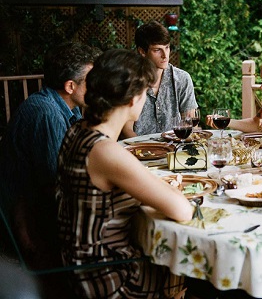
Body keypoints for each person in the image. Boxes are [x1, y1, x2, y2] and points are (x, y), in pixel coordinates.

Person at [56, 49, 193, 298]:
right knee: (187, 273)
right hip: (106, 278)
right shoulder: (105, 150)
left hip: (76, 266)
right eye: (146, 92)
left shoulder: (78, 130)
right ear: (132, 99)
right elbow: (182, 209)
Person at [0, 41, 99, 266]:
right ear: (70, 86)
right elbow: (56, 184)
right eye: (90, 82)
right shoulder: (46, 114)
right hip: (30, 225)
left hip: (35, 211)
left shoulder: (63, 107)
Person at [121, 20, 198, 138]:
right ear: (142, 51)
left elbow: (191, 124)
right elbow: (127, 129)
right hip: (140, 151)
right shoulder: (130, 80)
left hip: (175, 148)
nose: (165, 55)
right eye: (157, 50)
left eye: (167, 47)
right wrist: (146, 151)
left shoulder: (182, 79)